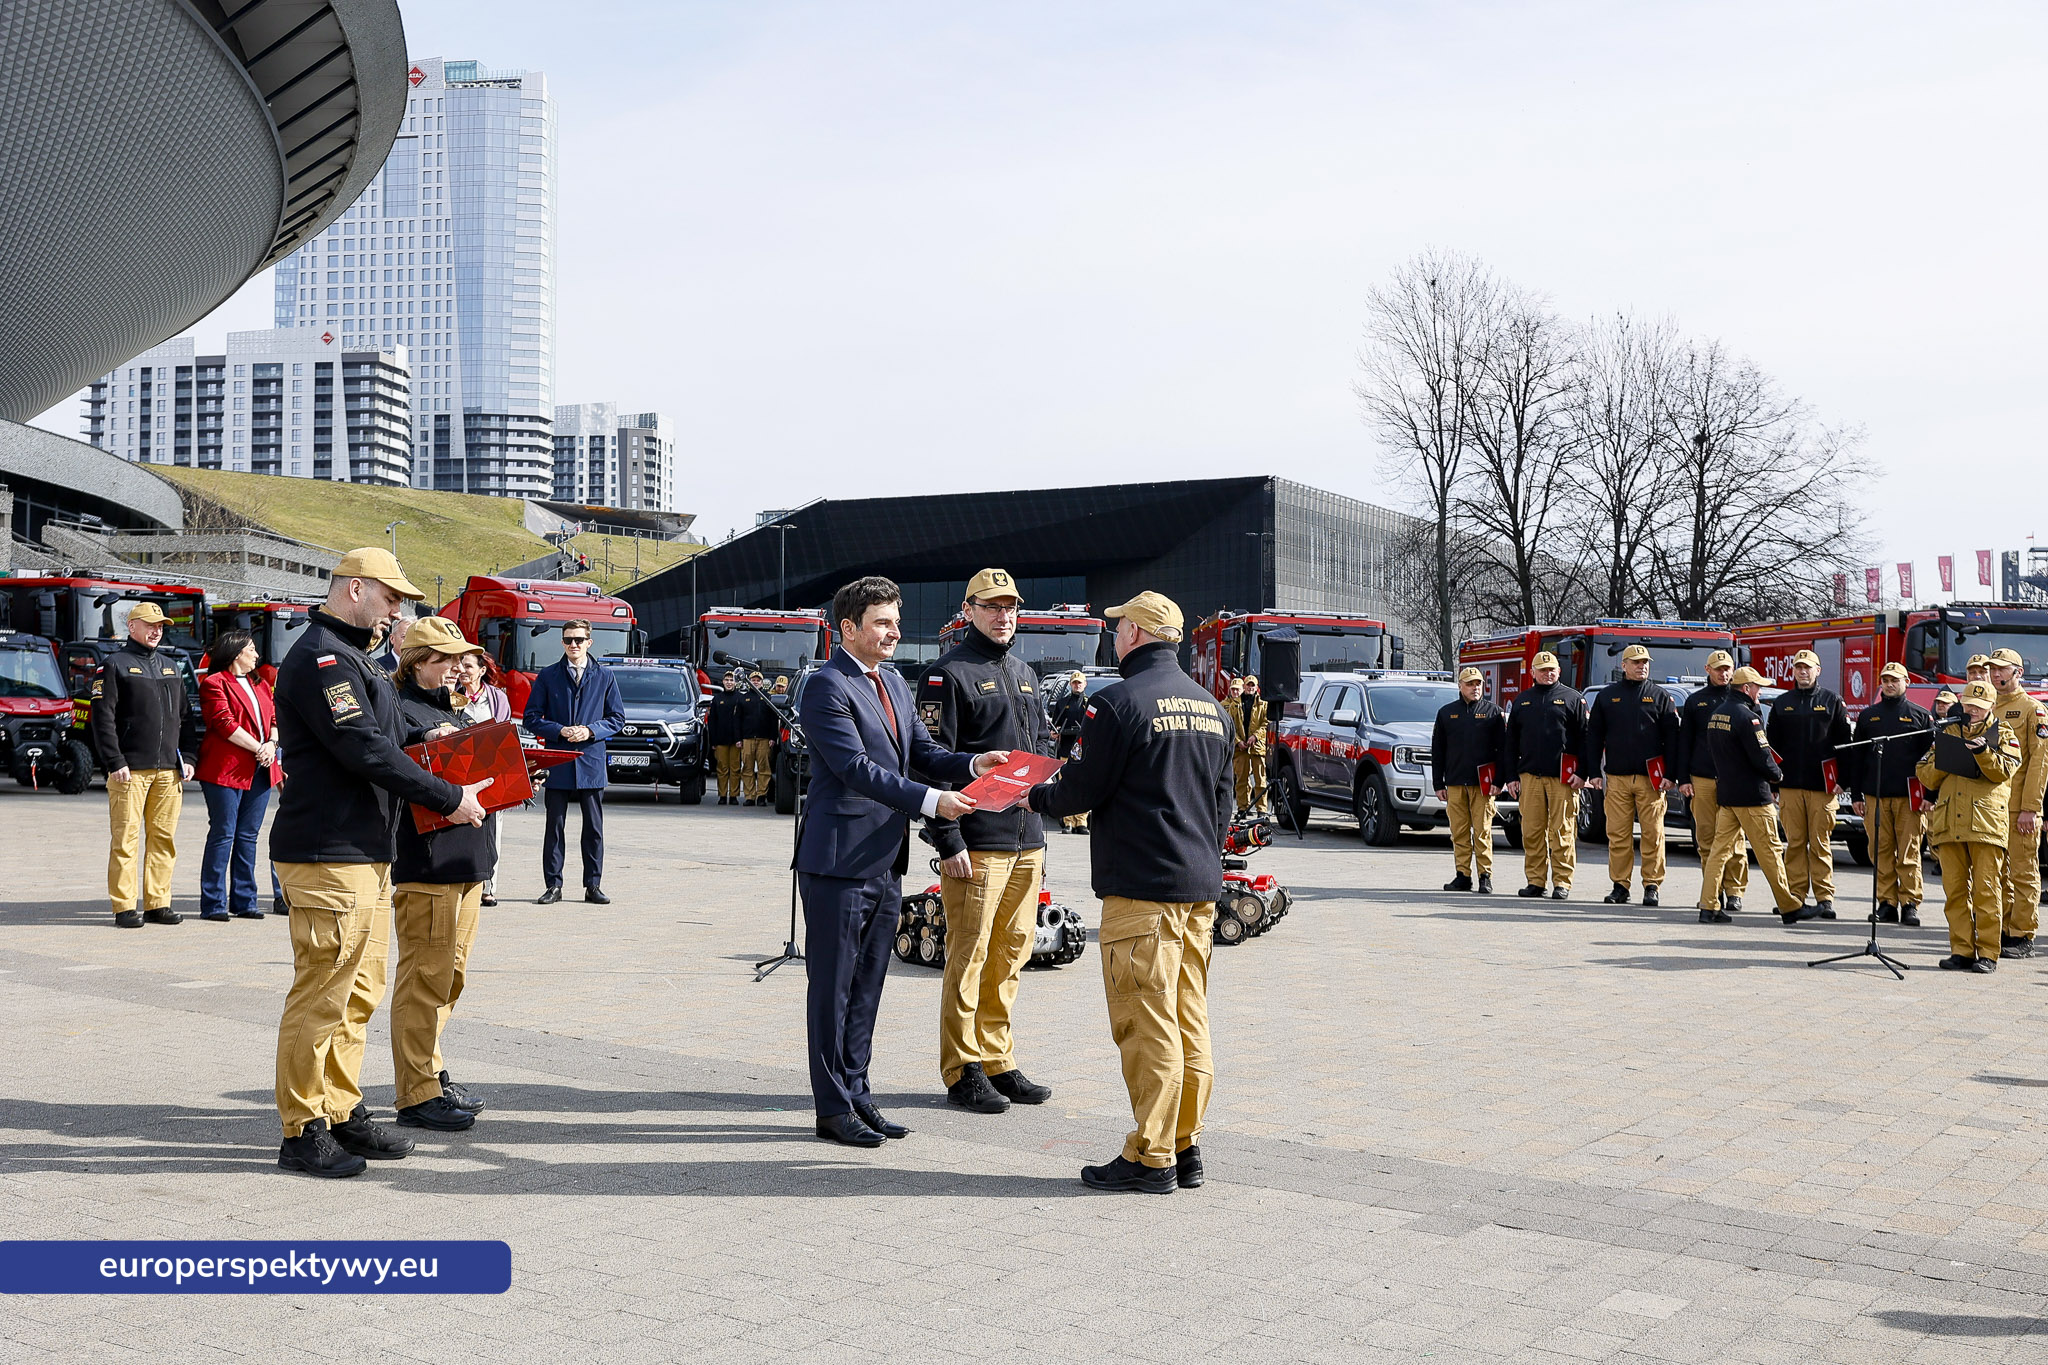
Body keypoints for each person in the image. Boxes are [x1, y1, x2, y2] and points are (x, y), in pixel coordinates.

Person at [270, 548, 489, 1178]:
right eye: (392, 598)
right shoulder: (322, 658)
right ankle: (302, 1129)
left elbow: (386, 740)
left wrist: (429, 742)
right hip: (328, 850)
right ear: (356, 589)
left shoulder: (353, 656)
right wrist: (449, 797)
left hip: (362, 850)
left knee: (357, 993)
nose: (399, 611)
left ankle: (339, 1110)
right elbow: (360, 746)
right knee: (323, 995)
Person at [1027, 591, 1233, 1195]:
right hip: (1197, 890)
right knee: (1188, 1020)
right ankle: (1185, 1143)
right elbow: (1222, 805)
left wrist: (1029, 794)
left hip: (1141, 895)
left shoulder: (1115, 703)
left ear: (1138, 635)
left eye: (1118, 628)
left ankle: (1151, 1156)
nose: (1112, 636)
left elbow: (1079, 789)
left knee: (1146, 1026)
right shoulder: (1211, 708)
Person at [794, 576, 996, 1149]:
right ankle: (832, 1109)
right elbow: (857, 768)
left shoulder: (893, 684)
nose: (894, 632)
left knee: (867, 989)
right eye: (882, 623)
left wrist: (974, 764)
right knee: (831, 990)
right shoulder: (826, 686)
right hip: (837, 865)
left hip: (885, 860)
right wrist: (934, 801)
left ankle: (857, 1094)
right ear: (849, 628)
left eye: (896, 622)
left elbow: (922, 752)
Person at [918, 568, 1055, 1115]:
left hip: (1027, 842)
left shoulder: (1024, 671)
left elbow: (1042, 742)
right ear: (968, 609)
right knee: (969, 955)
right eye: (993, 607)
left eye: (1012, 607)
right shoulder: (946, 675)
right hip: (975, 843)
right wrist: (947, 840)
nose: (1005, 616)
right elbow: (929, 762)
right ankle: (962, 1066)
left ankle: (997, 1058)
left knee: (1011, 954)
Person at [389, 617, 497, 1131]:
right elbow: (397, 767)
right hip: (427, 862)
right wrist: (427, 736)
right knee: (424, 980)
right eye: (447, 659)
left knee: (449, 978)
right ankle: (416, 1093)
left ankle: (429, 1071)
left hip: (466, 858)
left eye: (460, 659)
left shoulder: (446, 707)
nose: (459, 669)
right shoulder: (400, 708)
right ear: (417, 662)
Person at [90, 602, 195, 928]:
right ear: (131, 625)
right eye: (150, 625)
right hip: (129, 771)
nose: (156, 631)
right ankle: (124, 907)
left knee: (164, 839)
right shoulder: (113, 665)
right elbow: (102, 717)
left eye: (161, 626)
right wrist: (114, 760)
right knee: (126, 840)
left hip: (168, 771)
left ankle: (157, 904)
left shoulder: (171, 666)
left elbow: (186, 718)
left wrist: (189, 757)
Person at [1918, 679, 2023, 972]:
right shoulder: (1948, 731)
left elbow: (2005, 770)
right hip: (1950, 822)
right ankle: (1961, 950)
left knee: (1987, 891)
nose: (1972, 711)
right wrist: (1946, 760)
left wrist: (1981, 753)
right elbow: (1924, 773)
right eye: (1967, 705)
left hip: (1986, 823)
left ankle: (1989, 952)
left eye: (1978, 706)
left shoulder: (2004, 732)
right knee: (1954, 892)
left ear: (1991, 706)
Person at [524, 619, 625, 904]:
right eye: (568, 640)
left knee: (593, 827)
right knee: (554, 825)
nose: (574, 645)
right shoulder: (548, 675)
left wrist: (591, 730)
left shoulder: (604, 676)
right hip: (557, 759)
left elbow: (617, 718)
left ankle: (593, 885)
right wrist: (559, 730)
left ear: (589, 642)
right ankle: (553, 885)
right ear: (562, 642)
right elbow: (532, 717)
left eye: (579, 640)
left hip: (590, 759)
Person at [1699, 666, 1806, 926]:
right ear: (1746, 689)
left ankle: (1709, 905)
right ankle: (1789, 906)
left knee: (1718, 852)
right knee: (1770, 852)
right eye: (1757, 686)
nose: (1760, 691)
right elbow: (1762, 756)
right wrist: (1777, 775)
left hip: (1728, 795)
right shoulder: (1748, 717)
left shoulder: (1716, 714)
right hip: (1753, 797)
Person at [1583, 644, 1680, 907]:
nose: (1642, 666)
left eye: (1645, 662)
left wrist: (1671, 774)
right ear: (1623, 666)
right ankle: (1620, 886)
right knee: (1618, 834)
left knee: (1653, 834)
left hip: (1652, 780)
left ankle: (1651, 885)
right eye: (1636, 662)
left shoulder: (1660, 696)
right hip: (1616, 777)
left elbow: (1672, 739)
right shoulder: (1607, 696)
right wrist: (1593, 772)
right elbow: (1594, 737)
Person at [195, 630, 282, 922]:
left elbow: (273, 719)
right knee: (223, 833)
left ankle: (245, 900)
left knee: (248, 836)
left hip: (260, 767)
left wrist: (271, 744)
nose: (256, 655)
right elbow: (224, 723)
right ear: (235, 653)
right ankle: (214, 902)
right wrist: (260, 747)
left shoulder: (260, 684)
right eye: (251, 650)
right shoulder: (213, 683)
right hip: (225, 770)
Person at [1765, 649, 1851, 918]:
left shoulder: (1832, 701)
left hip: (1822, 788)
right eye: (1798, 667)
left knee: (1821, 844)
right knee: (1794, 844)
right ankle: (1795, 897)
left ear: (1818, 671)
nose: (1803, 672)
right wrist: (1774, 784)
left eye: (1808, 667)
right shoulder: (1782, 703)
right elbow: (1771, 747)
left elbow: (1846, 744)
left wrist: (1844, 779)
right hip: (1790, 785)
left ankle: (1825, 898)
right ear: (1793, 671)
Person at [1849, 662, 1935, 928]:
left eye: (1894, 680)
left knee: (1908, 852)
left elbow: (1932, 760)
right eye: (1885, 680)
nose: (1889, 684)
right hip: (1875, 795)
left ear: (1906, 682)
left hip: (1909, 798)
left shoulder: (1921, 716)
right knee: (1880, 851)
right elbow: (1857, 757)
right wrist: (1856, 795)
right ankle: (1886, 903)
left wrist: (1930, 795)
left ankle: (1910, 904)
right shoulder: (1868, 716)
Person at [1503, 651, 1585, 900]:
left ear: (1559, 671)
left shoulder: (1573, 699)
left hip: (1563, 778)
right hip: (1530, 777)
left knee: (1562, 831)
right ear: (1533, 673)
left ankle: (1562, 882)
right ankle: (1535, 882)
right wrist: (1511, 776)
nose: (1548, 673)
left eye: (1552, 669)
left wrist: (1583, 773)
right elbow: (1511, 743)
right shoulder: (1522, 701)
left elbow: (1585, 739)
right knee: (1532, 831)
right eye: (1543, 669)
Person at [1678, 652, 1750, 921]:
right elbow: (1684, 741)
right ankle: (1713, 891)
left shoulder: (1743, 701)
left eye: (1728, 669)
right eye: (1718, 669)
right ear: (1707, 669)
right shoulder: (1695, 701)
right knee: (1706, 838)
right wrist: (1683, 778)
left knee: (1736, 840)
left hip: (1735, 780)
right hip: (1703, 779)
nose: (1724, 674)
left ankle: (1735, 891)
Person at [1986, 648, 2048, 958]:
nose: (1996, 674)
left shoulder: (2032, 709)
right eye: (1992, 669)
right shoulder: (1986, 707)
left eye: (2002, 669)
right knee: (1997, 873)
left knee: (2022, 872)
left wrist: (2031, 808)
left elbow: (2039, 762)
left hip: (2019, 807)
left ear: (2018, 672)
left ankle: (2023, 933)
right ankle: (2005, 928)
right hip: (1991, 806)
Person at [1432, 666, 1506, 894]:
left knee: (1482, 831)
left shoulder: (1493, 712)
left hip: (1483, 785)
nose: (1475, 688)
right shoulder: (1446, 713)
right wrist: (1438, 783)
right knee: (1459, 832)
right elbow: (1438, 750)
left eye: (1478, 684)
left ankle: (1485, 876)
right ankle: (1463, 875)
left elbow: (1503, 750)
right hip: (1455, 783)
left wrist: (1499, 780)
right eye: (1470, 684)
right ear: (1460, 686)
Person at [451, 649, 511, 907]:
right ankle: (465, 881)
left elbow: (506, 732)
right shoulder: (452, 696)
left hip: (490, 772)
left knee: (492, 831)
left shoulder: (497, 698)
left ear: (482, 671)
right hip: (461, 772)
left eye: (468, 666)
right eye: (460, 665)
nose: (463, 671)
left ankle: (489, 886)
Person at [1049, 670, 1091, 834]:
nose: (1077, 685)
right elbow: (1055, 726)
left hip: (1085, 751)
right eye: (1074, 683)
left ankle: (1081, 822)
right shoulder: (1062, 702)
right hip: (1066, 750)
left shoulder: (1090, 703)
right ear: (1070, 684)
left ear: (1085, 684)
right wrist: (1056, 732)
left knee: (1084, 786)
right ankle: (1068, 822)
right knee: (1065, 786)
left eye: (1079, 682)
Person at [738, 671, 781, 805]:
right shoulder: (743, 699)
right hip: (747, 739)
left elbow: (774, 720)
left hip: (764, 739)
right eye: (753, 680)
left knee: (764, 769)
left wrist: (772, 737)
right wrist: (739, 739)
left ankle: (761, 795)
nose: (755, 682)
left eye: (758, 680)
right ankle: (749, 796)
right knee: (747, 769)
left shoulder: (768, 698)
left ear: (762, 682)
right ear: (749, 682)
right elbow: (737, 720)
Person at [705, 670, 746, 804]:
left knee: (735, 768)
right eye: (727, 680)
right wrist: (713, 741)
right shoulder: (717, 699)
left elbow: (743, 720)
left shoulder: (740, 698)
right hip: (720, 740)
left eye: (731, 680)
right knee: (722, 768)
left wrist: (741, 738)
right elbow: (712, 721)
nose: (729, 682)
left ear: (735, 682)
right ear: (723, 682)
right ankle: (722, 795)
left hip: (736, 740)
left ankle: (733, 795)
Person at [1232, 675, 1270, 815]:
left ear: (1257, 687)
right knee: (1241, 780)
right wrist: (1238, 741)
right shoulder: (1234, 705)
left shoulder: (1263, 704)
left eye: (1253, 685)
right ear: (1245, 686)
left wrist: (1255, 736)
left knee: (1260, 781)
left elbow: (1266, 723)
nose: (1250, 687)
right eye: (1248, 685)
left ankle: (1262, 809)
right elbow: (1230, 726)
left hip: (1257, 747)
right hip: (1241, 748)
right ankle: (1243, 808)